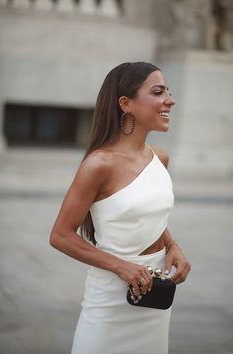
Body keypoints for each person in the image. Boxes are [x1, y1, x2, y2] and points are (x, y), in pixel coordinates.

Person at [50, 62, 191, 354]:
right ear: (126, 103)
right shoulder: (98, 165)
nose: (170, 100)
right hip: (110, 302)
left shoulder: (160, 158)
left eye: (168, 91)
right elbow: (61, 235)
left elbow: (144, 215)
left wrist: (172, 245)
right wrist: (120, 266)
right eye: (158, 91)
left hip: (155, 299)